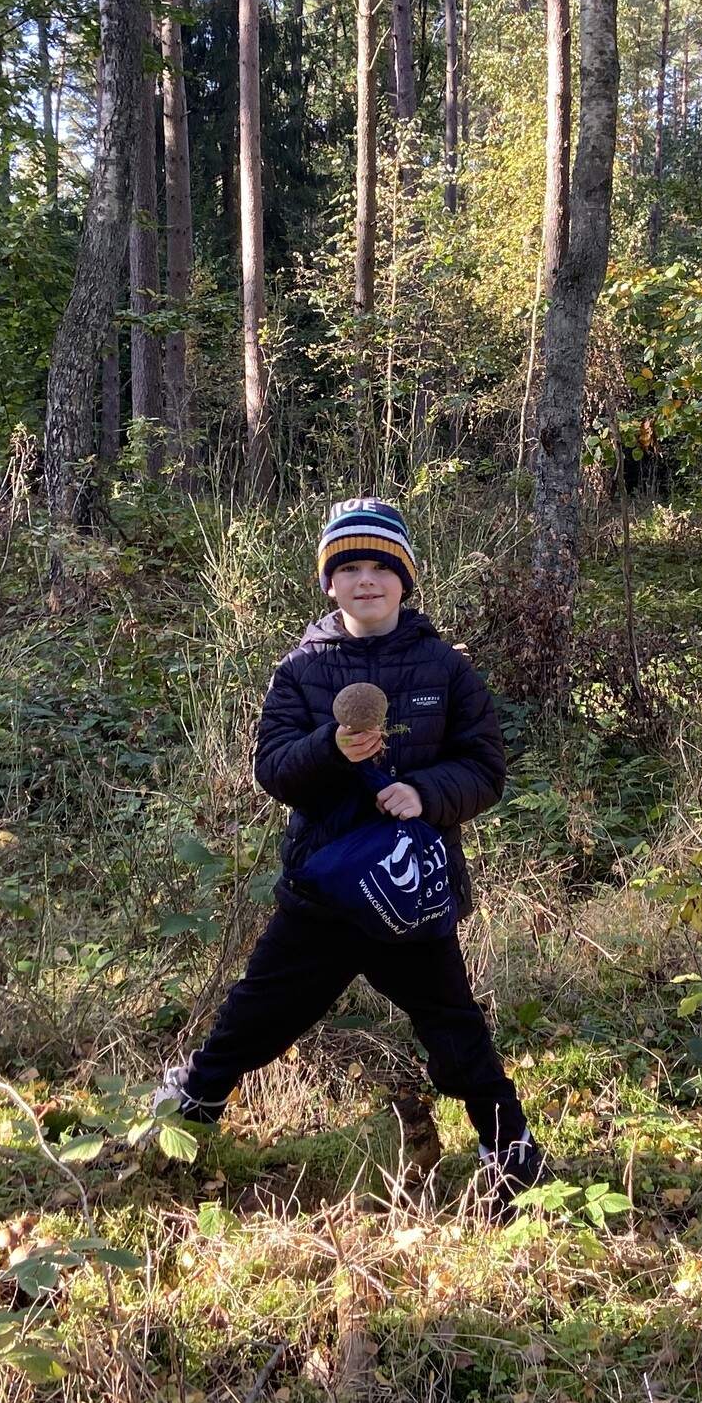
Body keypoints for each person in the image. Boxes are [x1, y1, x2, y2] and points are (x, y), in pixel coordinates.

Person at [155, 498, 548, 1209]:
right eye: (349, 568)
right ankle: (185, 1117)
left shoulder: (444, 668)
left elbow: (485, 769)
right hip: (323, 892)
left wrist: (424, 792)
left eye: (381, 567)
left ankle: (509, 1149)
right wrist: (331, 749)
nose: (366, 580)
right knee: (256, 1014)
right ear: (330, 584)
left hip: (407, 889)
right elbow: (274, 770)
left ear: (405, 580)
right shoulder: (302, 669)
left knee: (452, 1025)